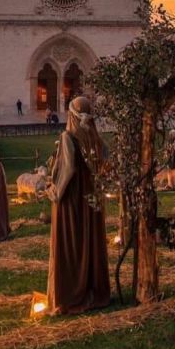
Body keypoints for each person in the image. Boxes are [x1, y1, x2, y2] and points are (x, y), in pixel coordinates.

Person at [46, 96, 110, 315]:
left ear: (71, 114)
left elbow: (68, 169)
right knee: (90, 241)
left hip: (72, 199)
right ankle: (94, 291)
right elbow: (106, 163)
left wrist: (55, 192)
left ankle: (70, 295)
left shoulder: (68, 137)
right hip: (92, 201)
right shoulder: (97, 139)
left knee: (72, 243)